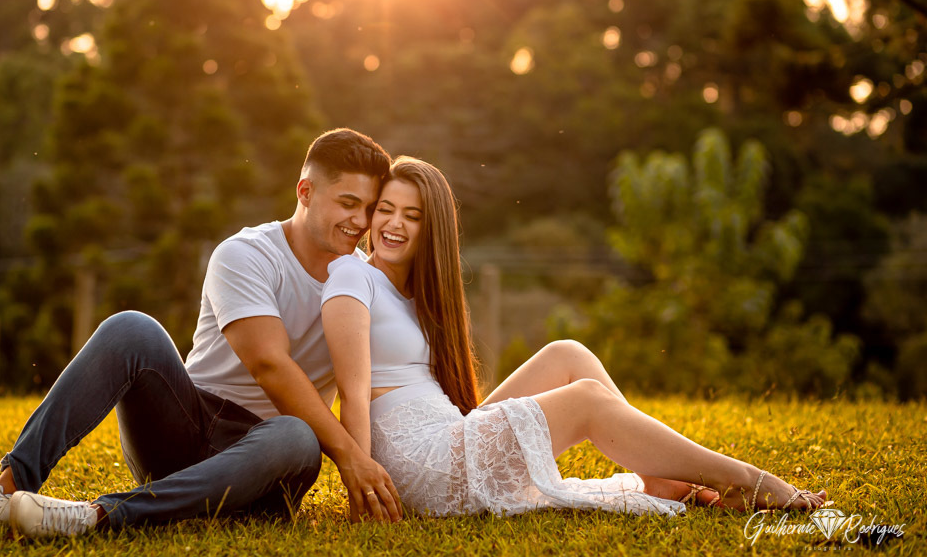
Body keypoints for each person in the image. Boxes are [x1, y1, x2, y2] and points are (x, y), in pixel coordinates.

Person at [0, 128, 403, 538]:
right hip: (184, 427)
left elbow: (376, 380)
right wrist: (349, 458)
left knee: (297, 437)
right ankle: (4, 492)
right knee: (132, 328)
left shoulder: (364, 283)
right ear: (305, 191)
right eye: (347, 203)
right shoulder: (244, 255)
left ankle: (99, 517)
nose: (361, 222)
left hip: (265, 460)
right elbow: (269, 364)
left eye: (368, 208)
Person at [321, 156, 828, 518]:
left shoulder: (414, 291)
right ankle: (745, 480)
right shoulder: (352, 275)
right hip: (421, 464)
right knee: (585, 400)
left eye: (412, 215)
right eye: (385, 209)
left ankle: (661, 479)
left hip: (445, 433)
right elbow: (354, 392)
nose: (393, 224)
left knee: (567, 352)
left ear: (433, 228)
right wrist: (360, 482)